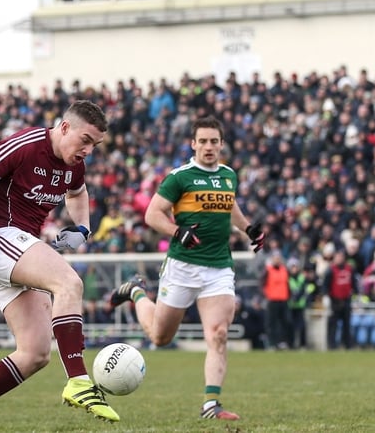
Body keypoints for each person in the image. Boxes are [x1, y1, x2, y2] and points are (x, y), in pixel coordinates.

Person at [0, 100, 120, 433]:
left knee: (34, 353)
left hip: (16, 247)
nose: (89, 151)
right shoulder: (26, 145)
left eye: (95, 144)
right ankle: (78, 381)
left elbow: (77, 193)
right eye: (86, 140)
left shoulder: (74, 164)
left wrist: (82, 228)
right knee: (69, 283)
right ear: (64, 127)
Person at [108, 115, 265, 421]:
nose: (209, 147)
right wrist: (176, 231)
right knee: (160, 337)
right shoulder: (179, 177)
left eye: (214, 141)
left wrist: (248, 228)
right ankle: (137, 293)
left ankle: (211, 404)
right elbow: (152, 214)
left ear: (221, 144)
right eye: (203, 141)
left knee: (219, 333)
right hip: (182, 267)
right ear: (193, 144)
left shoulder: (229, 175)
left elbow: (230, 205)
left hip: (218, 267)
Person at [322, 248, 358, 350]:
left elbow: (354, 283)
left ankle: (347, 344)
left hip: (346, 299)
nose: (339, 259)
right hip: (334, 300)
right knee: (332, 324)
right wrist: (325, 297)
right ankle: (331, 345)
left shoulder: (349, 269)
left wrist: (356, 294)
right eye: (337, 257)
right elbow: (325, 285)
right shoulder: (330, 270)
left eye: (341, 257)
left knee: (347, 324)